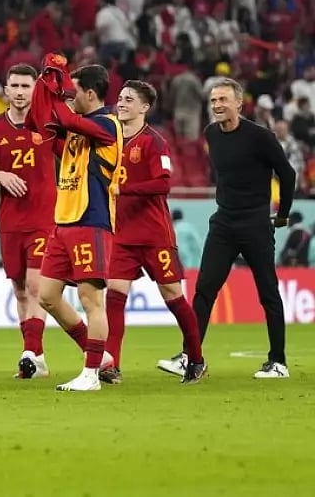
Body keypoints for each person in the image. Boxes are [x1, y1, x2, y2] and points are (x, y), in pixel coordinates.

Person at [158, 78, 296, 380]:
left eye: (223, 99)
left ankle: (278, 362)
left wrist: (283, 215)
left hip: (256, 224)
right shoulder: (211, 134)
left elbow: (287, 174)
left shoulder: (260, 137)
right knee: (204, 290)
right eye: (213, 101)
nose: (217, 105)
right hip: (223, 223)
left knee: (268, 292)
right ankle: (190, 357)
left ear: (239, 103)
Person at [100, 81, 206, 385]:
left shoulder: (154, 142)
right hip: (122, 235)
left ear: (144, 107)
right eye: (120, 98)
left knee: (173, 297)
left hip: (154, 235)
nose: (121, 103)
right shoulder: (111, 140)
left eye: (129, 99)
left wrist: (124, 189)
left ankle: (196, 359)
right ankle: (111, 364)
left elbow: (163, 184)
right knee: (114, 297)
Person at [32, 62, 123, 392]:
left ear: (91, 94)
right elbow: (40, 120)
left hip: (91, 220)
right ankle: (99, 355)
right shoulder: (76, 129)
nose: (71, 98)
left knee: (90, 298)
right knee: (47, 296)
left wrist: (56, 94)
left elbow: (65, 118)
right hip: (64, 221)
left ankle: (91, 373)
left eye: (75, 92)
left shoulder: (107, 125)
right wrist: (44, 85)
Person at [0, 63, 56, 379]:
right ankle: (37, 358)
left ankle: (29, 353)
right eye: (16, 86)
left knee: (36, 286)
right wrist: (0, 175)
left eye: (26, 86)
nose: (20, 92)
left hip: (43, 217)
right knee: (21, 290)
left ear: (34, 90)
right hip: (10, 221)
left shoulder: (48, 124)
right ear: (6, 90)